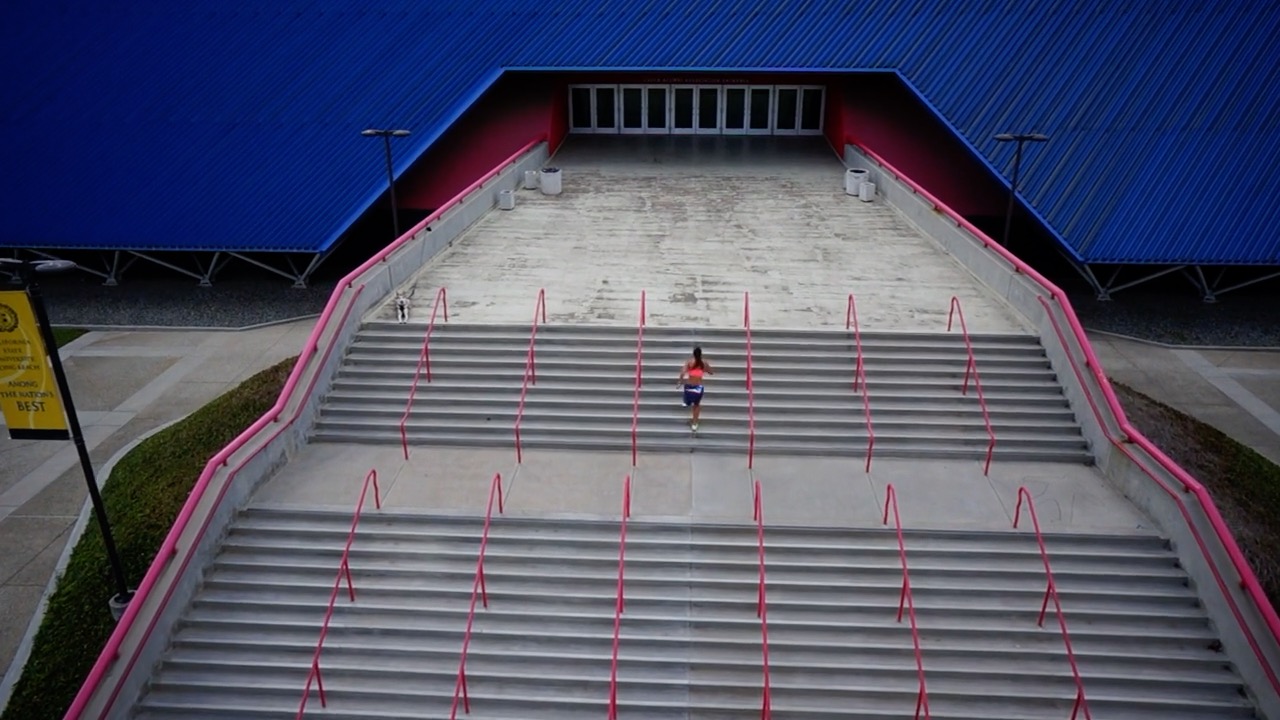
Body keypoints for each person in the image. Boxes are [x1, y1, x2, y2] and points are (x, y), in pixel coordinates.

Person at [677, 346, 714, 433]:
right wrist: (704, 370)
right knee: (696, 405)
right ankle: (694, 423)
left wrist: (679, 382)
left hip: (689, 386)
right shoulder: (704, 363)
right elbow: (711, 372)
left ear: (693, 354)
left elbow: (682, 372)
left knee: (689, 399)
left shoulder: (689, 362)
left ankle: (687, 401)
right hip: (698, 387)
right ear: (701, 354)